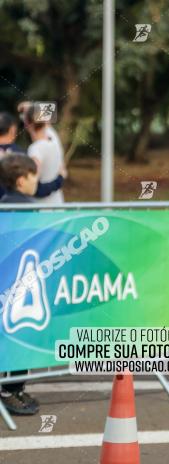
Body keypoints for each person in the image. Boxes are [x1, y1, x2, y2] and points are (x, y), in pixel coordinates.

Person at [0, 153, 41, 416]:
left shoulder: (5, 203)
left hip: (13, 282)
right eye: (33, 175)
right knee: (19, 336)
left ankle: (14, 389)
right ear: (20, 180)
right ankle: (10, 391)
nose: (37, 181)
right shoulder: (23, 207)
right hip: (19, 284)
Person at [0, 112, 63, 199]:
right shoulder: (21, 157)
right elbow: (37, 190)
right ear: (13, 129)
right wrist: (60, 179)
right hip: (21, 208)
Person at [21, 104, 65, 204]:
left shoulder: (35, 149)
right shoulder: (54, 140)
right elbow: (47, 115)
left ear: (26, 124)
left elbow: (32, 188)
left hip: (42, 210)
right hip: (58, 205)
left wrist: (57, 182)